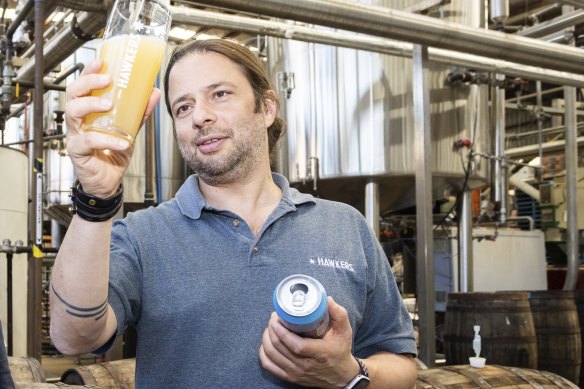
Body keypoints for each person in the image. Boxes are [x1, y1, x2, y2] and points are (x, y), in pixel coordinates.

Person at [50, 38, 417, 388]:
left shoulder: (344, 225)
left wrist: (350, 374)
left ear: (267, 108)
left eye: (220, 94)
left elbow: (402, 366)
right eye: (184, 107)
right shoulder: (142, 236)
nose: (200, 117)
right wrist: (96, 199)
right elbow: (72, 336)